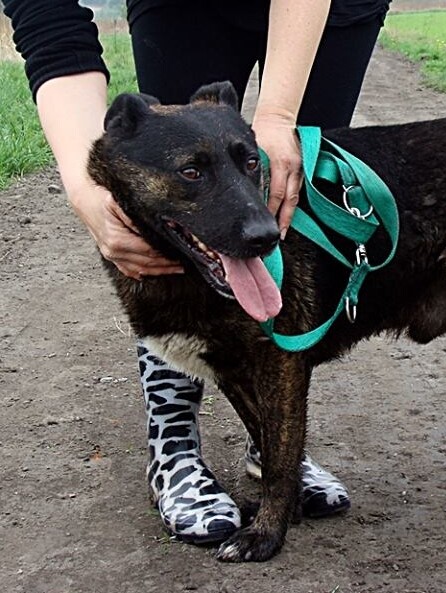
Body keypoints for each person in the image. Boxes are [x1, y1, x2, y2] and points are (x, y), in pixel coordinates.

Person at [3, 0, 391, 544]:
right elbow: (47, 18)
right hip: (185, 9)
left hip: (326, 13)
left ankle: (274, 448)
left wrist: (278, 118)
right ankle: (174, 447)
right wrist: (83, 185)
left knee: (283, 199)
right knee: (164, 216)